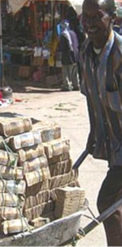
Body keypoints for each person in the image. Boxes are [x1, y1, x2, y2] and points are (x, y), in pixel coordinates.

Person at [80, 0, 122, 245]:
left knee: (106, 200)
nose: (89, 23)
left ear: (112, 18)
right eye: (85, 17)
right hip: (112, 145)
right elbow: (90, 97)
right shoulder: (85, 53)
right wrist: (93, 133)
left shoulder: (119, 55)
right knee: (114, 200)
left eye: (96, 17)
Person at [58, 20, 80, 91]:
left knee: (66, 71)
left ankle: (67, 85)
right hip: (75, 54)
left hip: (67, 55)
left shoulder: (63, 35)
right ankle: (76, 85)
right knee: (74, 71)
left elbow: (63, 47)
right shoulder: (73, 33)